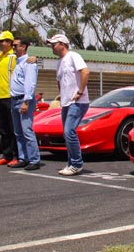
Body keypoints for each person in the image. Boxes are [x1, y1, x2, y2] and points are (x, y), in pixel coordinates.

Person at [47, 34, 90, 176]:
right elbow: (60, 82)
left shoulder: (73, 56)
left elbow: (85, 71)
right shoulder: (59, 62)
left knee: (69, 131)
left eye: (54, 44)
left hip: (77, 102)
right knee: (67, 134)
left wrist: (80, 91)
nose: (52, 47)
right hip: (66, 102)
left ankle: (76, 164)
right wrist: (61, 96)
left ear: (62, 44)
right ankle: (71, 163)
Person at [7, 37, 43, 170]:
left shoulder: (29, 63)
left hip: (23, 99)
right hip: (14, 99)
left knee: (27, 130)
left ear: (24, 47)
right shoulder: (18, 62)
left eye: (16, 45)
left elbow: (30, 83)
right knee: (18, 132)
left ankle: (34, 159)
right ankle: (24, 157)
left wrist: (26, 102)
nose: (14, 48)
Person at [0, 31, 19, 166]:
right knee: (3, 129)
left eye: (2, 41)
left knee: (13, 128)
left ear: (9, 43)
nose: (0, 44)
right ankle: (6, 155)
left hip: (10, 97)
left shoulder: (14, 57)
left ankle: (17, 155)